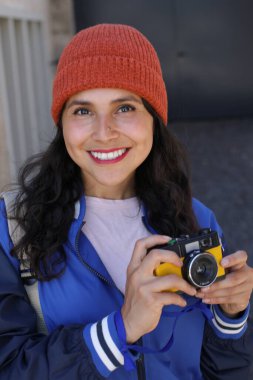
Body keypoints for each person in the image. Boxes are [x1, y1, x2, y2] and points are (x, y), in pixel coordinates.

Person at [0, 23, 252, 380]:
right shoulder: (12, 228)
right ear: (63, 123)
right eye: (83, 111)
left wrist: (232, 317)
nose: (104, 133)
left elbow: (224, 370)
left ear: (154, 120)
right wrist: (120, 329)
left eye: (125, 108)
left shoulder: (196, 219)